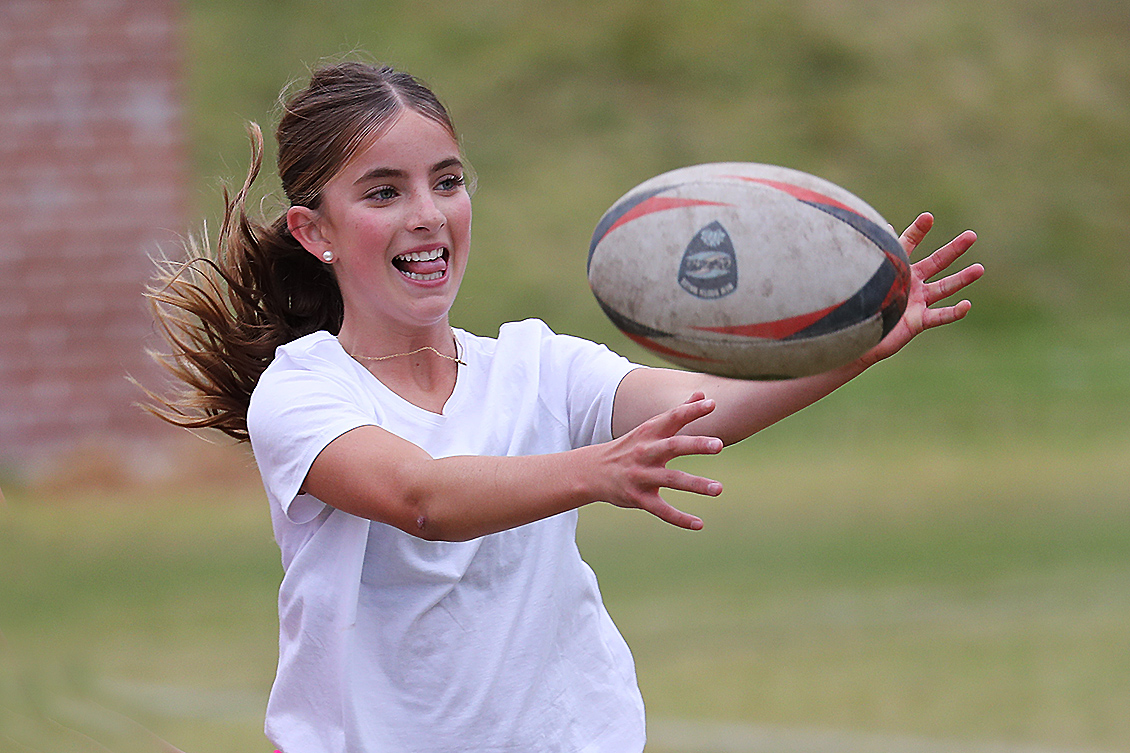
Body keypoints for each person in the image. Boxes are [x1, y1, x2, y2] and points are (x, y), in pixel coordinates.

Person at [145, 61, 983, 753]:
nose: (429, 215)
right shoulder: (303, 390)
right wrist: (596, 470)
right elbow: (421, 497)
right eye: (383, 192)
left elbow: (703, 406)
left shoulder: (536, 363)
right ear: (314, 231)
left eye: (445, 181)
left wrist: (846, 341)